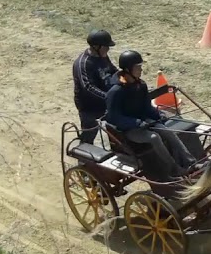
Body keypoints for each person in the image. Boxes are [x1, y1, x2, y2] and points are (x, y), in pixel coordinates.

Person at [103, 49, 197, 180]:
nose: (141, 70)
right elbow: (113, 117)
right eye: (138, 67)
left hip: (145, 122)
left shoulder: (140, 85)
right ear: (128, 69)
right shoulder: (116, 91)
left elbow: (147, 107)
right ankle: (174, 169)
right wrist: (135, 123)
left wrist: (158, 115)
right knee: (154, 137)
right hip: (128, 131)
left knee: (167, 131)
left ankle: (190, 162)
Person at [72, 29, 118, 143]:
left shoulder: (103, 56)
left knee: (117, 127)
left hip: (105, 102)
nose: (108, 49)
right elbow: (88, 87)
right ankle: (83, 158)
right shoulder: (83, 63)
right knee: (90, 133)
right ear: (96, 46)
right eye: (106, 46)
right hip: (89, 106)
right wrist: (108, 96)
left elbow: (113, 71)